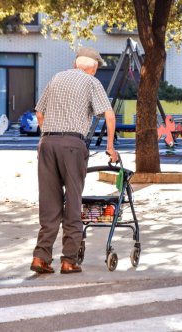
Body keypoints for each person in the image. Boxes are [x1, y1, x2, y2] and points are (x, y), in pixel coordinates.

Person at [30, 46, 118, 274]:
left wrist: (48, 135)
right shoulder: (92, 83)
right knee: (73, 201)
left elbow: (40, 112)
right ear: (94, 68)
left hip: (47, 144)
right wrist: (110, 146)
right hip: (73, 145)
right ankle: (69, 261)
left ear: (75, 63)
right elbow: (108, 114)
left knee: (49, 203)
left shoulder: (57, 77)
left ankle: (40, 258)